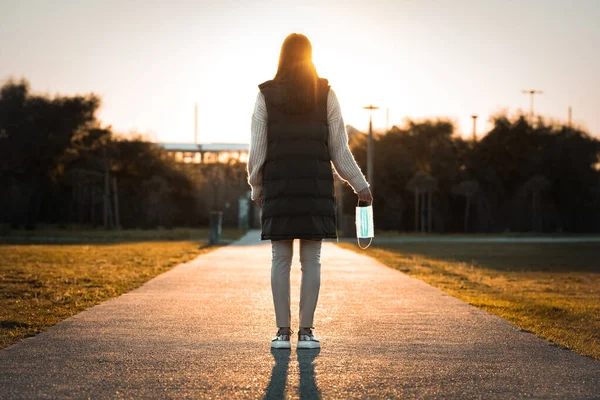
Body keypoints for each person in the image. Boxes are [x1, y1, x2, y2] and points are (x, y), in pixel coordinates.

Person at [247, 33, 373, 350]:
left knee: (280, 260)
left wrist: (256, 186)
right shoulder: (326, 93)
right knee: (311, 261)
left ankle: (280, 333)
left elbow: (257, 150)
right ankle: (306, 333)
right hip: (316, 187)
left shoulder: (265, 94)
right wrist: (361, 185)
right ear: (310, 56)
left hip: (278, 186)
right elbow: (339, 150)